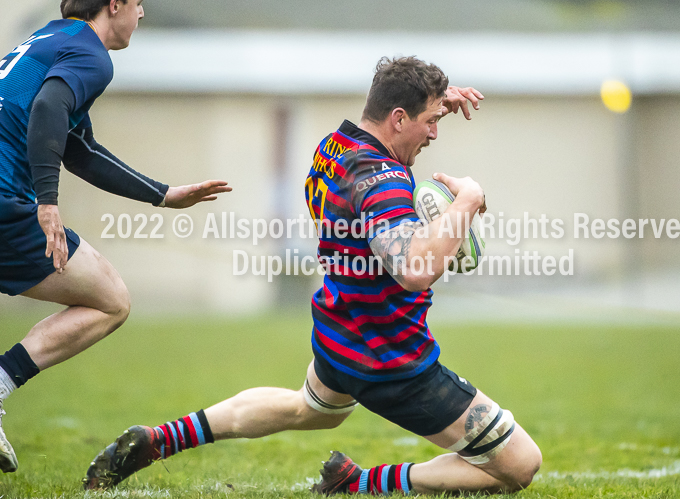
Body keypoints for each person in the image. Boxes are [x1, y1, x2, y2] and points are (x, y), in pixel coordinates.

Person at [83, 56, 542, 494]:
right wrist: (466, 201)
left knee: (310, 408)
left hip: (340, 327)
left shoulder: (334, 147)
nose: (435, 134)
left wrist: (434, 98)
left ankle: (161, 438)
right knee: (520, 463)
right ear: (398, 119)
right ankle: (359, 483)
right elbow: (414, 269)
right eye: (430, 121)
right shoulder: (381, 180)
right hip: (389, 358)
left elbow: (373, 222)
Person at [0, 0, 231, 473]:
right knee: (110, 299)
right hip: (4, 199)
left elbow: (80, 150)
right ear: (115, 4)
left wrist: (163, 195)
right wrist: (47, 202)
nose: (142, 14)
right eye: (139, 3)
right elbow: (47, 107)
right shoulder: (90, 54)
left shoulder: (50, 39)